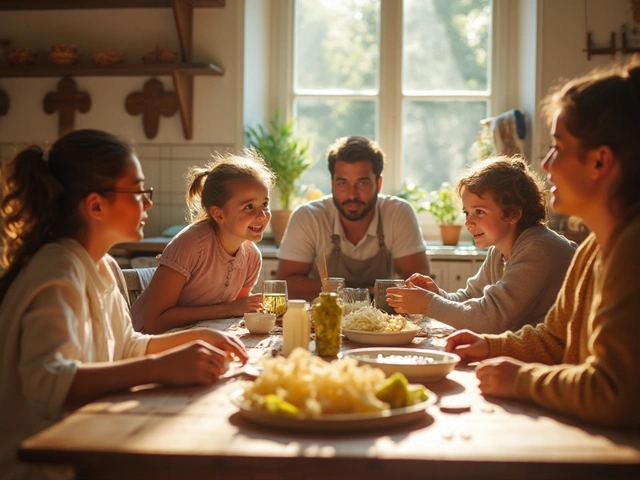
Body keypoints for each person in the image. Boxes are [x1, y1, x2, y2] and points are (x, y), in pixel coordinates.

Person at [0, 129, 248, 480]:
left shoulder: (101, 264)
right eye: (138, 192)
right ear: (96, 205)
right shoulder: (58, 270)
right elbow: (47, 383)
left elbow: (127, 346)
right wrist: (160, 368)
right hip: (41, 467)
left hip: (86, 448)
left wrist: (202, 337)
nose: (148, 203)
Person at [445, 59, 640, 427]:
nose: (546, 164)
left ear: (600, 162)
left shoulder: (632, 249)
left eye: (558, 148)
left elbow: (616, 392)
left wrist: (522, 380)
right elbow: (554, 337)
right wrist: (492, 346)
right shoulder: (592, 249)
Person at [387, 155, 576, 334]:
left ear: (513, 213)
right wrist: (438, 294)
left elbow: (489, 319)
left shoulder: (539, 250)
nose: (469, 222)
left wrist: (429, 303)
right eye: (467, 213)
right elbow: (471, 298)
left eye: (479, 211)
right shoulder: (499, 251)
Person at [132, 150, 275, 334]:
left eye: (265, 204)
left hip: (197, 344)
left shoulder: (252, 257)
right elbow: (154, 323)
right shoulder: (192, 244)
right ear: (219, 214)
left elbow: (235, 315)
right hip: (146, 348)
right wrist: (229, 309)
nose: (262, 215)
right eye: (249, 206)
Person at [277, 135, 431, 301]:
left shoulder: (398, 213)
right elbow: (287, 285)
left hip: (383, 321)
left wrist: (336, 290)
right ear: (332, 183)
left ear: (378, 184)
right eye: (342, 183)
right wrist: (359, 292)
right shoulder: (308, 217)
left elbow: (419, 286)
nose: (352, 194)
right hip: (324, 319)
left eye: (362, 183)